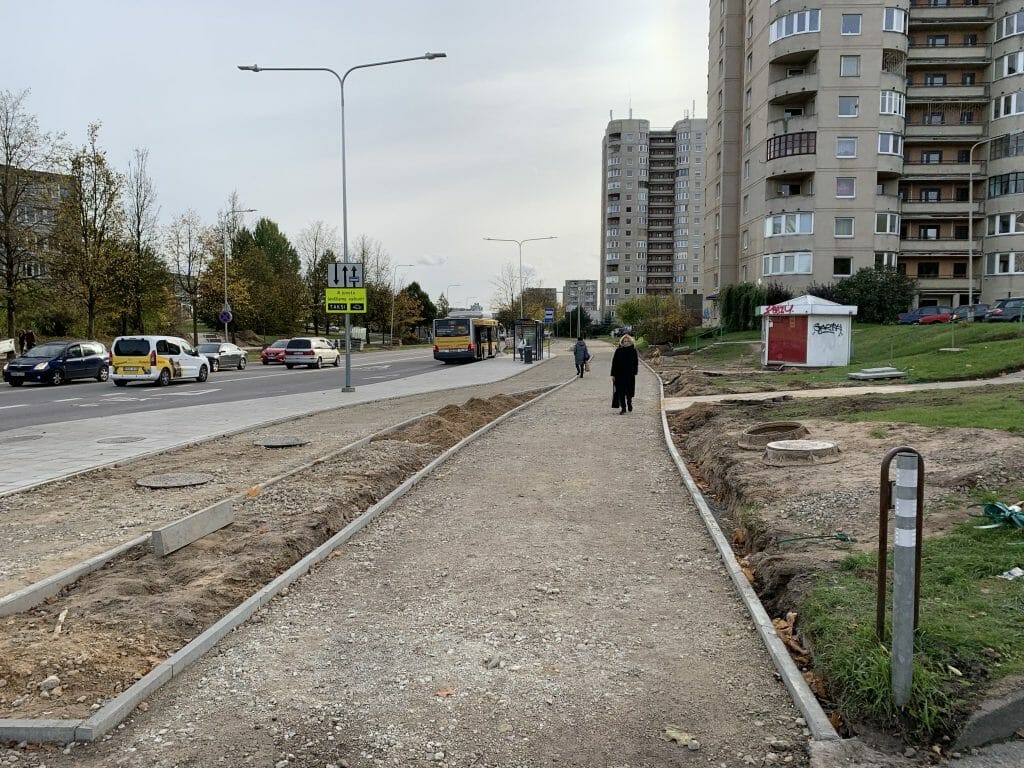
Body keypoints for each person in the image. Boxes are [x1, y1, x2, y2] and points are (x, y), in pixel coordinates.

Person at [610, 333, 639, 415]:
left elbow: (636, 362)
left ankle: (629, 403)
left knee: (629, 391)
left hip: (629, 375)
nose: (626, 342)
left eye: (627, 341)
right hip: (619, 374)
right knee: (620, 392)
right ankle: (623, 408)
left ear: (630, 342)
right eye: (624, 341)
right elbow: (614, 363)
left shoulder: (633, 350)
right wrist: (613, 375)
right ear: (622, 342)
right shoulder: (618, 350)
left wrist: (634, 372)